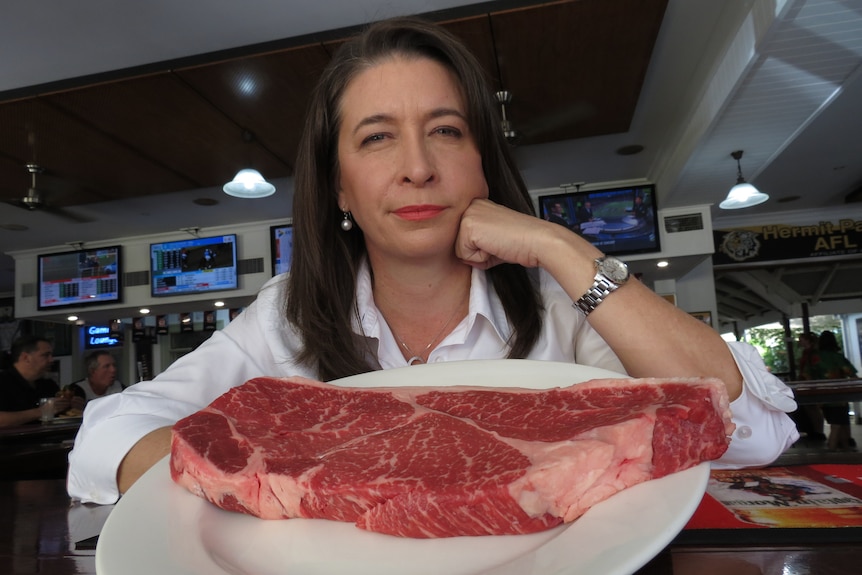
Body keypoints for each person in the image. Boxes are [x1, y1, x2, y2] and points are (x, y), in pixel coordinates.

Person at [68, 16, 799, 505]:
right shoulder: (288, 314)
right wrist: (252, 473)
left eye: (446, 131)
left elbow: (754, 431)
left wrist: (561, 247)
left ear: (484, 163)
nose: (417, 167)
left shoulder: (557, 302)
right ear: (339, 184)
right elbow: (105, 434)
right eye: (378, 138)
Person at [0, 336, 75, 427]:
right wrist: (40, 412)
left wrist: (70, 406)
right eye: (45, 355)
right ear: (26, 357)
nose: (51, 360)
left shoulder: (48, 384)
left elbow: (59, 415)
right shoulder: (3, 382)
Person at [817, 330, 858, 451]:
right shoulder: (837, 357)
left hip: (821, 396)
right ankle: (831, 452)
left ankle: (845, 449)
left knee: (839, 424)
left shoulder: (814, 358)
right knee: (837, 425)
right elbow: (852, 375)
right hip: (838, 397)